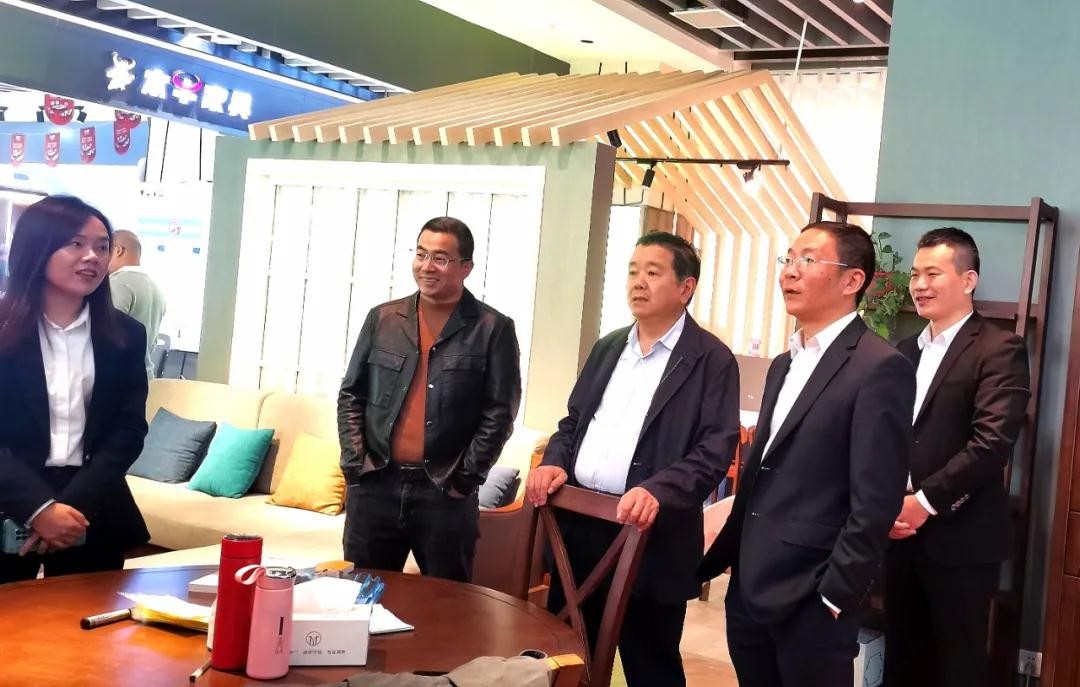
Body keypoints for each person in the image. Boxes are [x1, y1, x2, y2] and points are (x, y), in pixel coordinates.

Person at [699, 221, 916, 687]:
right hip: (751, 587)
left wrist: (834, 596)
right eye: (789, 259)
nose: (790, 271)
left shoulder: (880, 367)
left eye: (808, 260)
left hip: (813, 599)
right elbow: (761, 474)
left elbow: (876, 500)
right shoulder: (784, 364)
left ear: (852, 280)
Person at [526, 231, 741, 687]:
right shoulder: (609, 347)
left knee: (650, 664)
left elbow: (714, 450)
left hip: (650, 535)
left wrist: (658, 491)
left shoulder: (711, 360)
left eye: (653, 272)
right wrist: (555, 460)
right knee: (569, 656)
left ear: (686, 287)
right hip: (579, 527)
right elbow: (573, 422)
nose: (638, 282)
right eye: (632, 271)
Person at [338, 216, 521, 582]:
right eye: (421, 254)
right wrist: (356, 464)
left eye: (440, 258)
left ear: (466, 267)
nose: (426, 266)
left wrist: (465, 478)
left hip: (444, 493)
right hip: (376, 485)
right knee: (360, 600)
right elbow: (351, 395)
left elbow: (500, 413)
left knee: (448, 606)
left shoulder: (491, 328)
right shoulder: (383, 319)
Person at [885, 228, 1029, 686]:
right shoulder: (904, 352)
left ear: (968, 280)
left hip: (961, 537)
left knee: (956, 668)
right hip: (897, 531)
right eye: (915, 275)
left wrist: (924, 502)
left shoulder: (999, 349)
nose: (919, 285)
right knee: (901, 660)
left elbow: (992, 442)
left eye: (933, 274)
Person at [0, 195, 150, 584]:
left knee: (90, 620)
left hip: (93, 507)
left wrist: (73, 505)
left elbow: (129, 428)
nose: (93, 257)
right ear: (37, 247)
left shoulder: (126, 335)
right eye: (76, 243)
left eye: (102, 246)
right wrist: (39, 508)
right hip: (7, 501)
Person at [108, 229, 166, 379]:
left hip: (119, 379)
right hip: (145, 377)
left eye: (104, 249)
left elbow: (105, 338)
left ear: (118, 250)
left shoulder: (118, 284)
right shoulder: (156, 289)